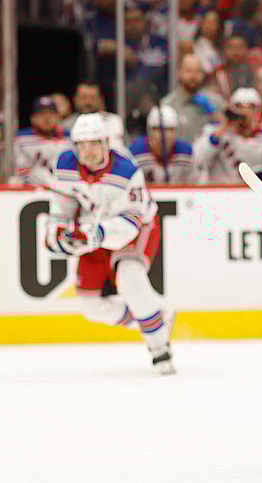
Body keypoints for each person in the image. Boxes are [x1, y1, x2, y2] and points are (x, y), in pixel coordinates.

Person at [46, 114, 175, 374]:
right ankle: (153, 318)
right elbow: (64, 204)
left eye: (93, 143)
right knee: (92, 307)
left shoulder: (126, 171)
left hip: (136, 229)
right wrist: (57, 231)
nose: (87, 151)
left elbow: (130, 224)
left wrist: (96, 234)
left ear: (106, 143)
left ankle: (159, 347)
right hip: (94, 229)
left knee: (129, 277)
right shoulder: (65, 164)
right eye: (81, 145)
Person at [193, 88, 262, 183]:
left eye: (250, 107)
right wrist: (221, 130)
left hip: (253, 194)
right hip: (221, 192)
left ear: (258, 111)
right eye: (239, 107)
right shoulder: (214, 131)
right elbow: (199, 159)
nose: (244, 111)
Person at [129, 105, 202, 184]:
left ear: (176, 132)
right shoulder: (135, 154)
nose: (164, 135)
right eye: (158, 129)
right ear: (149, 131)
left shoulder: (186, 153)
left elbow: (198, 185)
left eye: (169, 130)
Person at [162, 54, 227, 142]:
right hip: (182, 155)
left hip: (212, 154)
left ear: (203, 74)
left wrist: (214, 113)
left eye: (197, 72)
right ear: (179, 73)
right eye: (188, 71)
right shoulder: (168, 105)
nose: (193, 76)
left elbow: (230, 131)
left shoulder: (217, 101)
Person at [14, 96, 71, 184]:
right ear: (33, 118)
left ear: (58, 117)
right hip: (29, 190)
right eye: (42, 114)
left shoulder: (69, 138)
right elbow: (21, 172)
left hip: (62, 188)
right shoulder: (21, 139)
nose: (46, 119)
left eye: (50, 114)